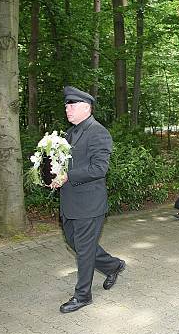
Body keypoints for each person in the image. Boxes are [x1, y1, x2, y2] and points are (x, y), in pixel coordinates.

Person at [52, 86, 125, 314]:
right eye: (66, 105)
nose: (67, 109)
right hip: (70, 202)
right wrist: (52, 175)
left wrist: (67, 176)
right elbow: (64, 164)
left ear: (86, 108)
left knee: (84, 250)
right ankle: (113, 265)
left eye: (72, 105)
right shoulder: (68, 133)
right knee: (78, 245)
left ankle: (82, 296)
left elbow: (99, 168)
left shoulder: (97, 132)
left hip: (89, 204)